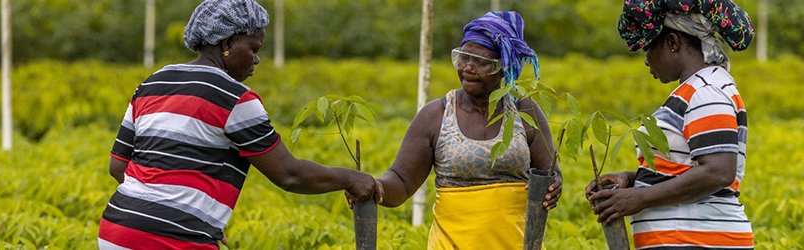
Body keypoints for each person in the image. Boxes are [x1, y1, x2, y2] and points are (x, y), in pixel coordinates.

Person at [97, 1, 380, 249]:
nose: (257, 59)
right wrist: (351, 178)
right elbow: (289, 175)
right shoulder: (234, 98)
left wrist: (176, 211)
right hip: (172, 240)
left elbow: (118, 166)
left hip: (116, 230)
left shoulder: (155, 81)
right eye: (254, 48)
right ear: (227, 44)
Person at [358, 11, 563, 249]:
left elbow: (550, 172)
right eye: (463, 58)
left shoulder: (525, 111)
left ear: (504, 66)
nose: (468, 68)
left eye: (481, 62)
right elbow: (402, 182)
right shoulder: (435, 115)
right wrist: (376, 187)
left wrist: (553, 187)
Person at [586, 0, 755, 249]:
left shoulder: (705, 91)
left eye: (648, 49)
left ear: (673, 43)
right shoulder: (697, 89)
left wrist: (640, 198)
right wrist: (633, 180)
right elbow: (687, 169)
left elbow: (718, 171)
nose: (646, 61)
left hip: (697, 238)